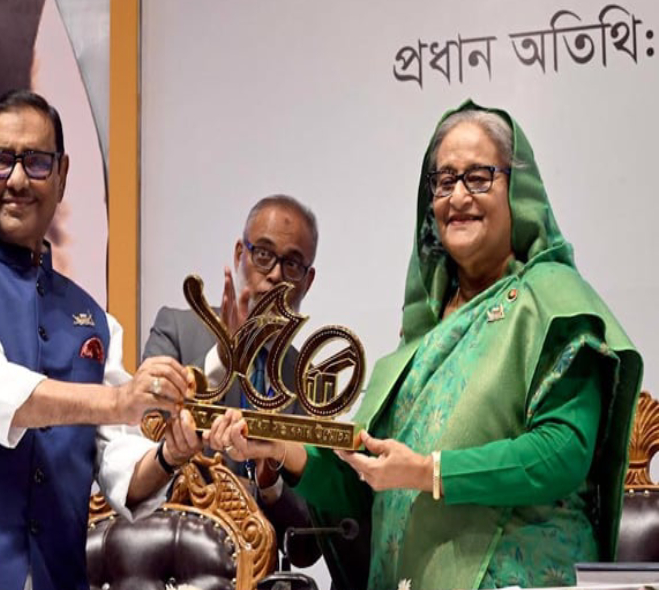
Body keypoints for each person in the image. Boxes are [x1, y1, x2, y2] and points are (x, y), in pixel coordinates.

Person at [206, 101, 643, 589]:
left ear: (516, 190)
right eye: (444, 179)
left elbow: (563, 451)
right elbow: (366, 476)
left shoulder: (552, 299)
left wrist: (430, 472)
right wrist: (281, 446)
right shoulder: (421, 337)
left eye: (478, 177)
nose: (459, 196)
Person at [0, 89, 191, 590]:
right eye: (0, 160)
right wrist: (120, 401)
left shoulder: (97, 322)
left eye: (35, 162)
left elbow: (121, 468)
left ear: (62, 175)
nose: (16, 179)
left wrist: (171, 454)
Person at [142, 194, 323, 567]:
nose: (275, 274)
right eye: (264, 255)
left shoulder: (306, 381)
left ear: (307, 281)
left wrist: (271, 481)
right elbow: (147, 432)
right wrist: (224, 359)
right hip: (171, 571)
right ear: (241, 253)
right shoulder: (175, 329)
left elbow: (307, 548)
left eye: (292, 264)